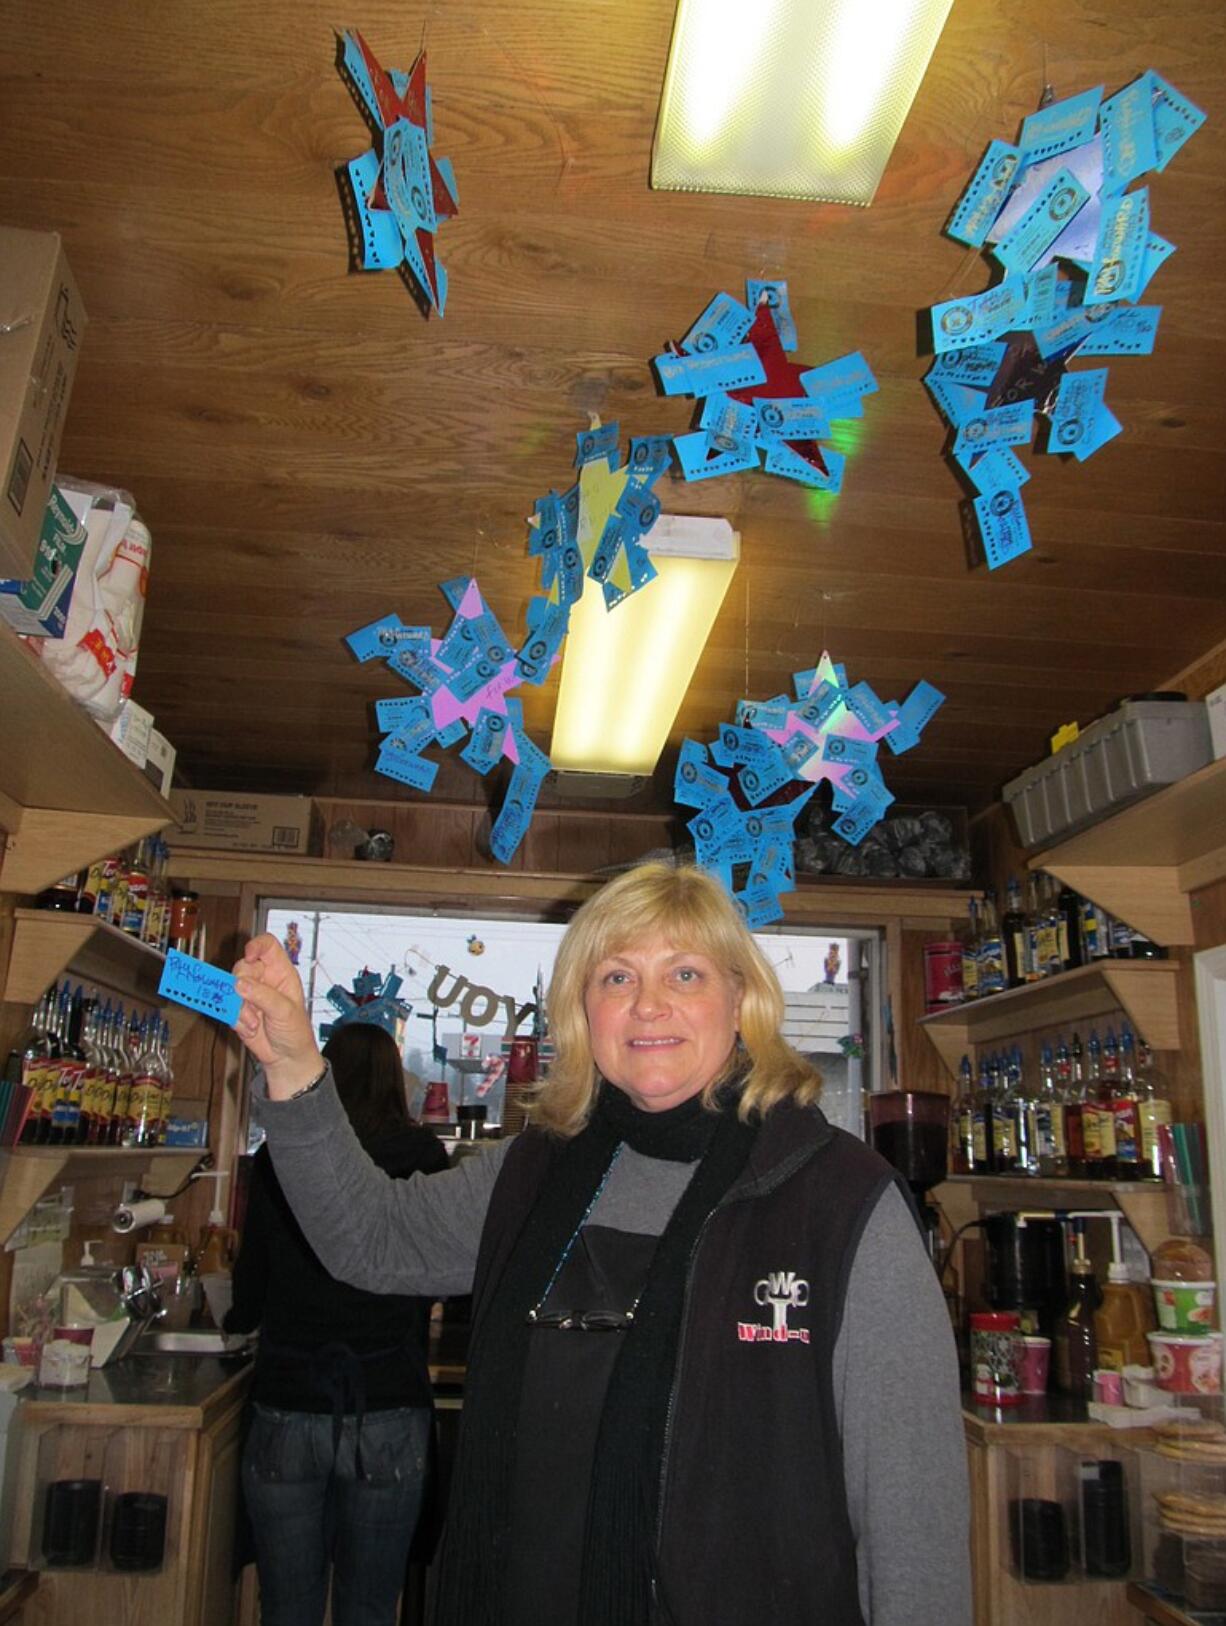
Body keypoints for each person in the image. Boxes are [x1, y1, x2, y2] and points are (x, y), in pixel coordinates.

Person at [232, 862, 971, 1626]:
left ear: (742, 999)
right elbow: (371, 1240)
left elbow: (912, 1524)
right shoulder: (535, 1171)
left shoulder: (843, 1202)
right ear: (584, 1012)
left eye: (684, 973)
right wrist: (291, 1064)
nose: (648, 1005)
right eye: (616, 978)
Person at [225, 1020, 449, 1626]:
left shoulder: (281, 1159)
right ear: (394, 1081)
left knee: (288, 1607)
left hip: (289, 1398)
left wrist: (238, 1320)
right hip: (387, 1401)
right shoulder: (423, 1156)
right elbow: (440, 1272)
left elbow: (252, 1280)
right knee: (371, 1607)